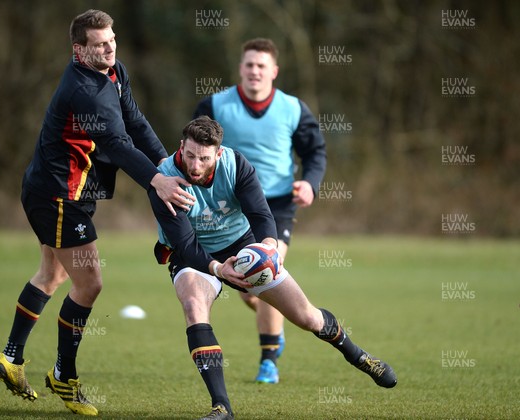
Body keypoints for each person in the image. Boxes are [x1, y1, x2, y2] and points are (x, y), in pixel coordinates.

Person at [0, 9, 195, 416]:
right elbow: (117, 147)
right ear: (78, 50)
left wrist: (166, 163)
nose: (110, 47)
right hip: (57, 198)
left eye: (112, 38)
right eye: (99, 44)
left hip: (56, 191)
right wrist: (158, 180)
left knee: (53, 274)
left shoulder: (113, 70)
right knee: (91, 283)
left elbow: (134, 121)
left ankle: (11, 357)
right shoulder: (86, 91)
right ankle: (64, 377)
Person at [150, 116, 396, 420]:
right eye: (190, 156)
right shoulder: (163, 179)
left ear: (219, 153)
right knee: (193, 304)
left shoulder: (236, 165)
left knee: (307, 316)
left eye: (204, 158)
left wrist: (268, 246)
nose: (196, 166)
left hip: (241, 247)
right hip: (193, 254)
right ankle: (221, 407)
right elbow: (185, 243)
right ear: (181, 147)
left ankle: (359, 357)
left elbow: (262, 214)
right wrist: (217, 268)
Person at [193, 38, 326, 383]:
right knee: (252, 287)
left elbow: (315, 152)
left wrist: (310, 183)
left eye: (262, 66)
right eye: (249, 64)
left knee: (267, 268)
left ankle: (269, 359)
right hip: (230, 208)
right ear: (241, 68)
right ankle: (275, 320)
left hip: (276, 206)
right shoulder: (216, 105)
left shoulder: (293, 108)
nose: (255, 71)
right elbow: (194, 151)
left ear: (274, 71)